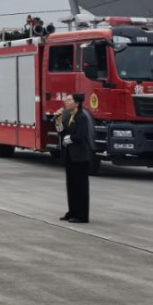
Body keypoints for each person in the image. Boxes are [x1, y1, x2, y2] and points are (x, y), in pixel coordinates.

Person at [56, 93, 94, 224]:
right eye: (66, 100)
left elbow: (81, 134)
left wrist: (70, 138)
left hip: (80, 156)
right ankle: (72, 212)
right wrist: (58, 118)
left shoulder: (82, 116)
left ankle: (82, 215)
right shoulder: (67, 115)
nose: (66, 102)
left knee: (80, 186)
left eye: (69, 100)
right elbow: (60, 130)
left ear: (76, 103)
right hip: (70, 155)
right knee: (71, 185)